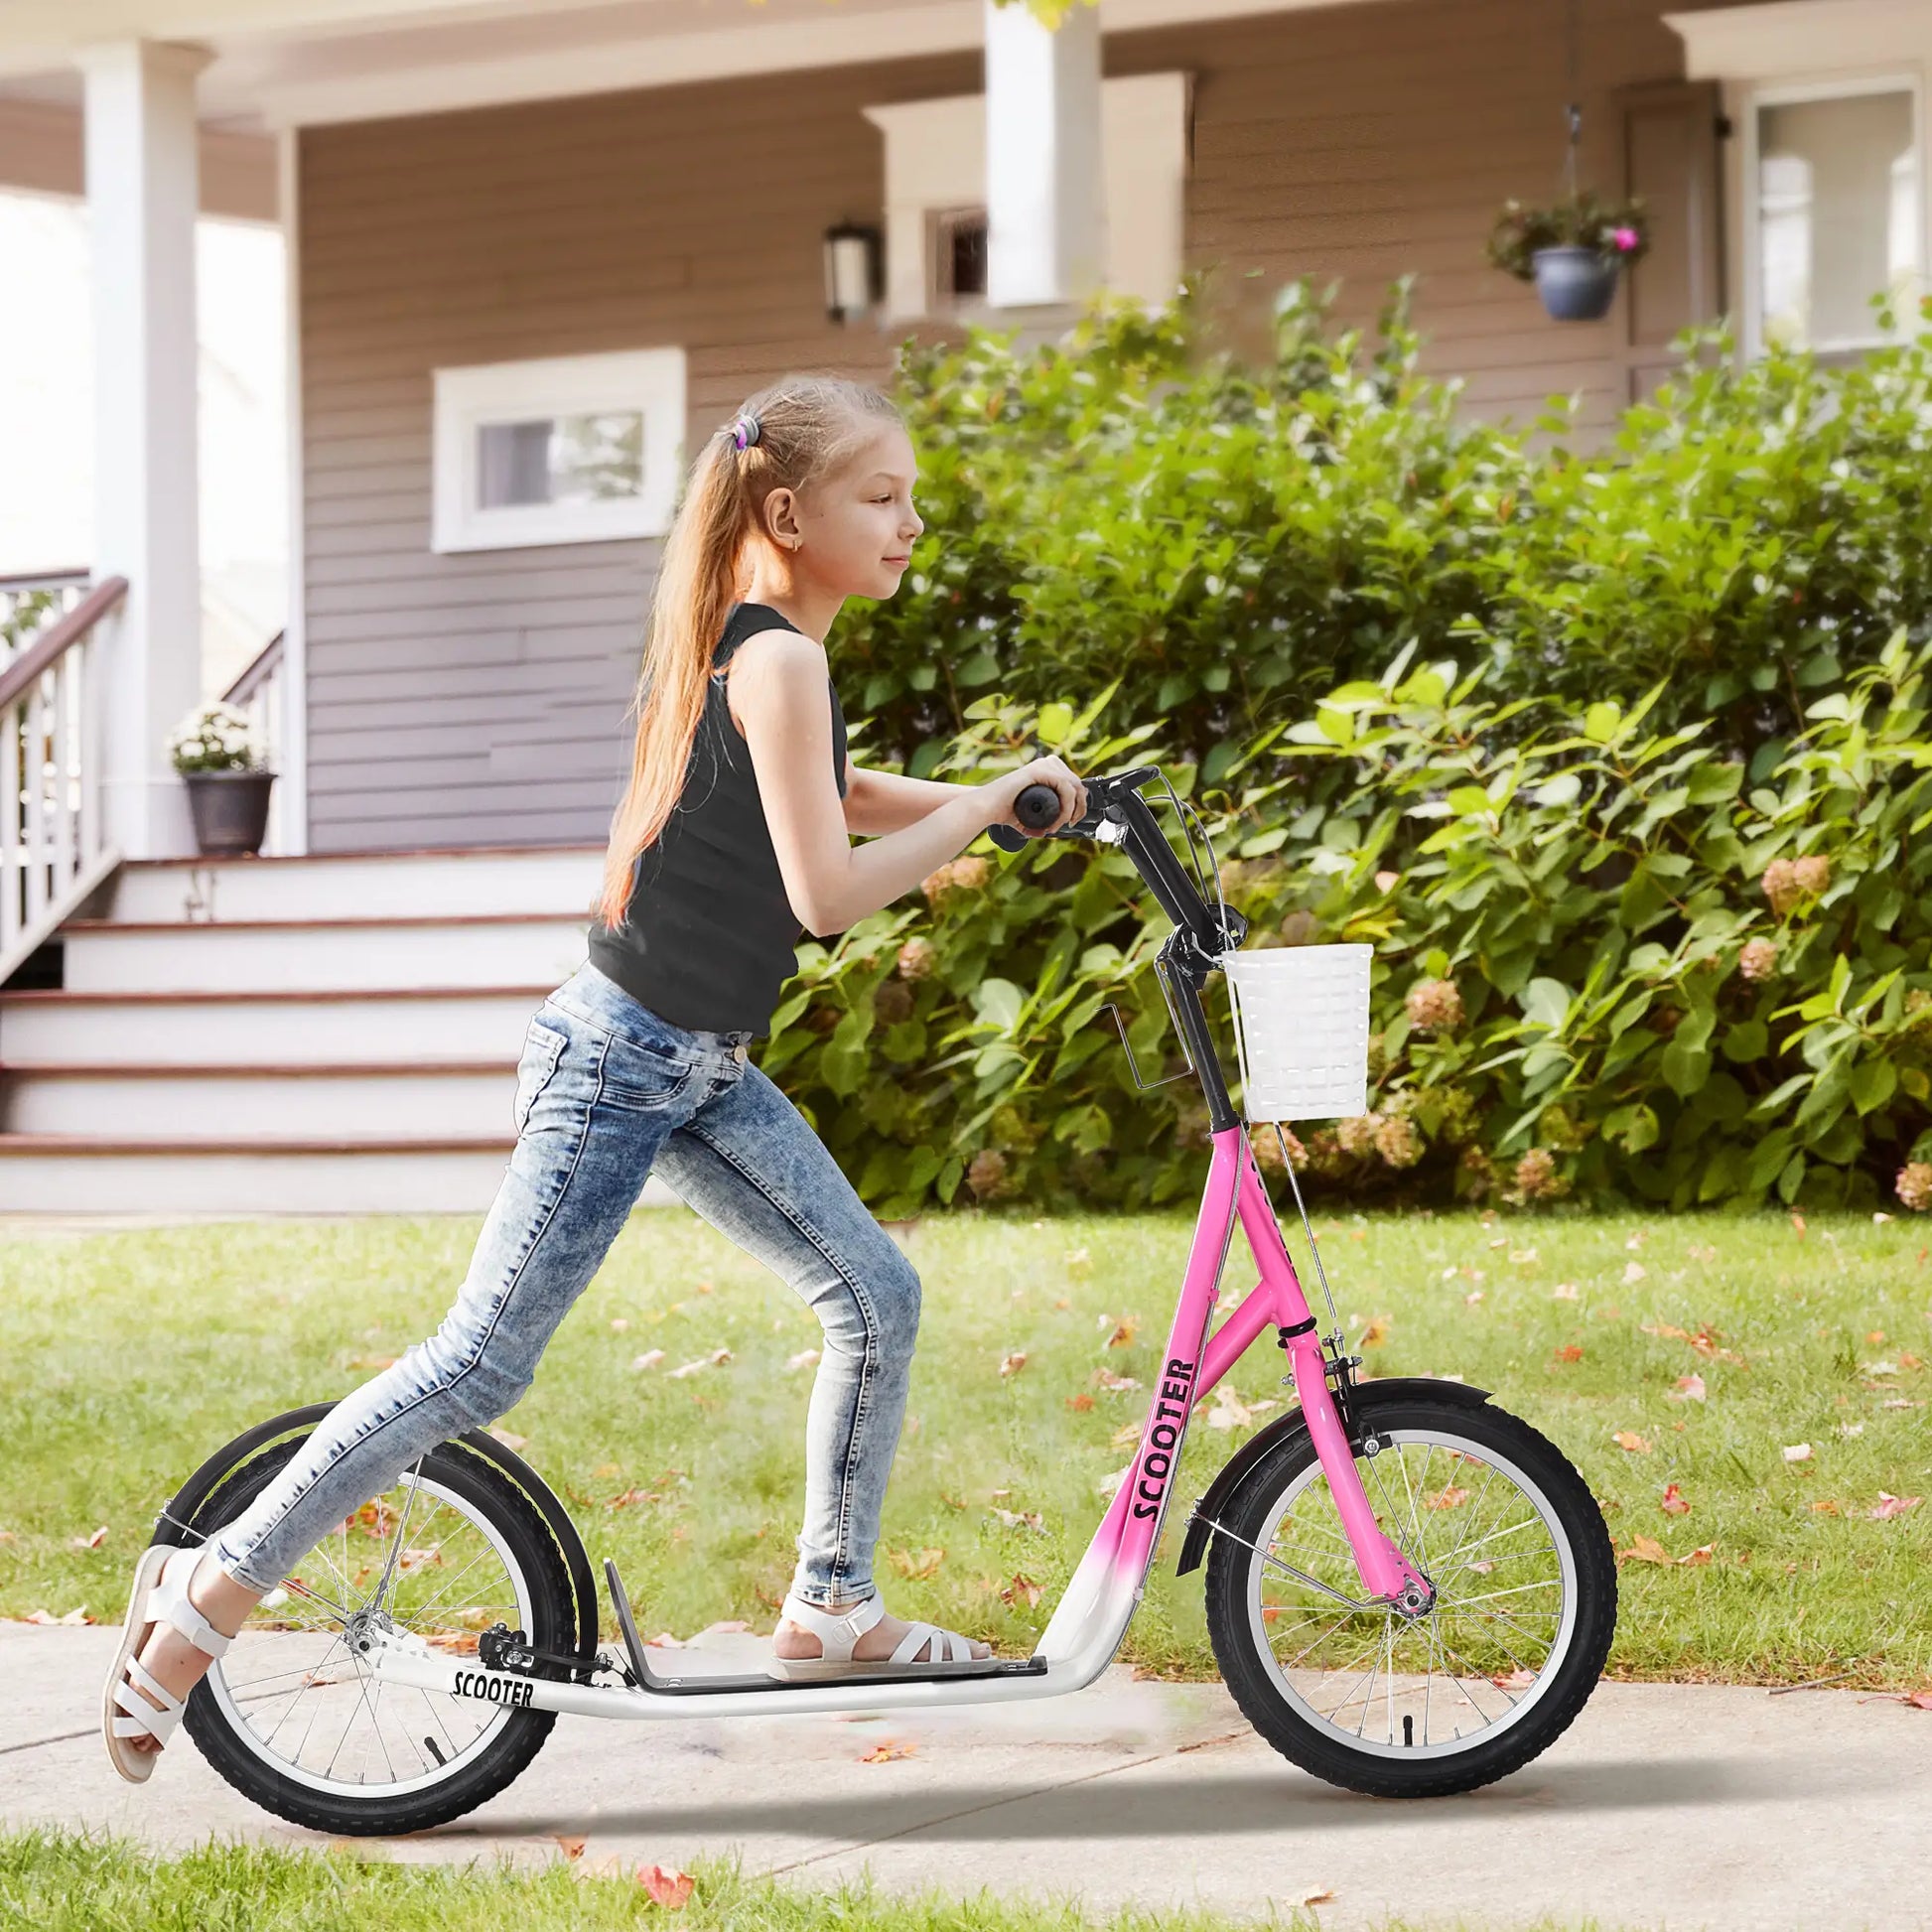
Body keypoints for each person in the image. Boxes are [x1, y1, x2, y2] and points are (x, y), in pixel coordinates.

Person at [101, 371, 1086, 1779]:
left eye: (912, 497)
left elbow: (837, 795)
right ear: (790, 509)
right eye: (885, 496)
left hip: (690, 1061)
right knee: (475, 1363)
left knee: (874, 1290)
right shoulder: (780, 655)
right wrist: (987, 811)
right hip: (622, 1058)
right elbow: (823, 886)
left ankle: (832, 1601)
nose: (912, 523)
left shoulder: (756, 646)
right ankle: (206, 1599)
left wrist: (1015, 802)